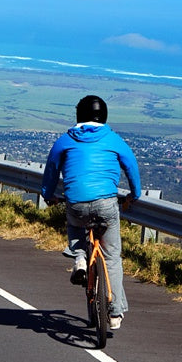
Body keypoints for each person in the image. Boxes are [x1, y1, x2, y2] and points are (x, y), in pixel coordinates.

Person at [40, 95, 141, 331]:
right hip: (106, 204)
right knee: (112, 257)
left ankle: (80, 259)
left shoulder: (65, 140)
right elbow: (131, 167)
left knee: (75, 224)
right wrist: (133, 195)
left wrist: (48, 195)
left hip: (75, 201)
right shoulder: (114, 140)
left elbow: (51, 170)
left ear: (79, 115)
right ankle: (115, 314)